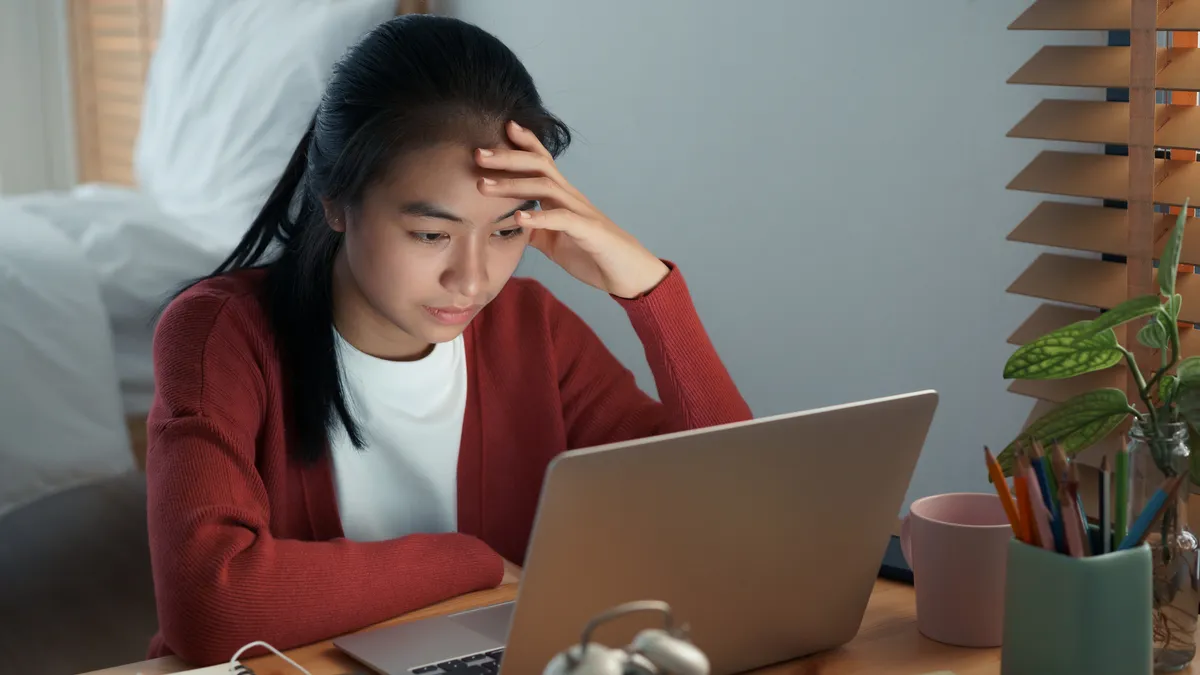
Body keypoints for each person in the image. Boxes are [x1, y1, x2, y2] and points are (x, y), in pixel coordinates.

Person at [145, 13, 751, 666]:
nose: (473, 278)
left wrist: (648, 287)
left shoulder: (533, 329)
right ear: (336, 202)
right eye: (432, 235)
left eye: (506, 231)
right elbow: (214, 606)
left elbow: (736, 518)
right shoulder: (220, 333)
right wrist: (474, 559)